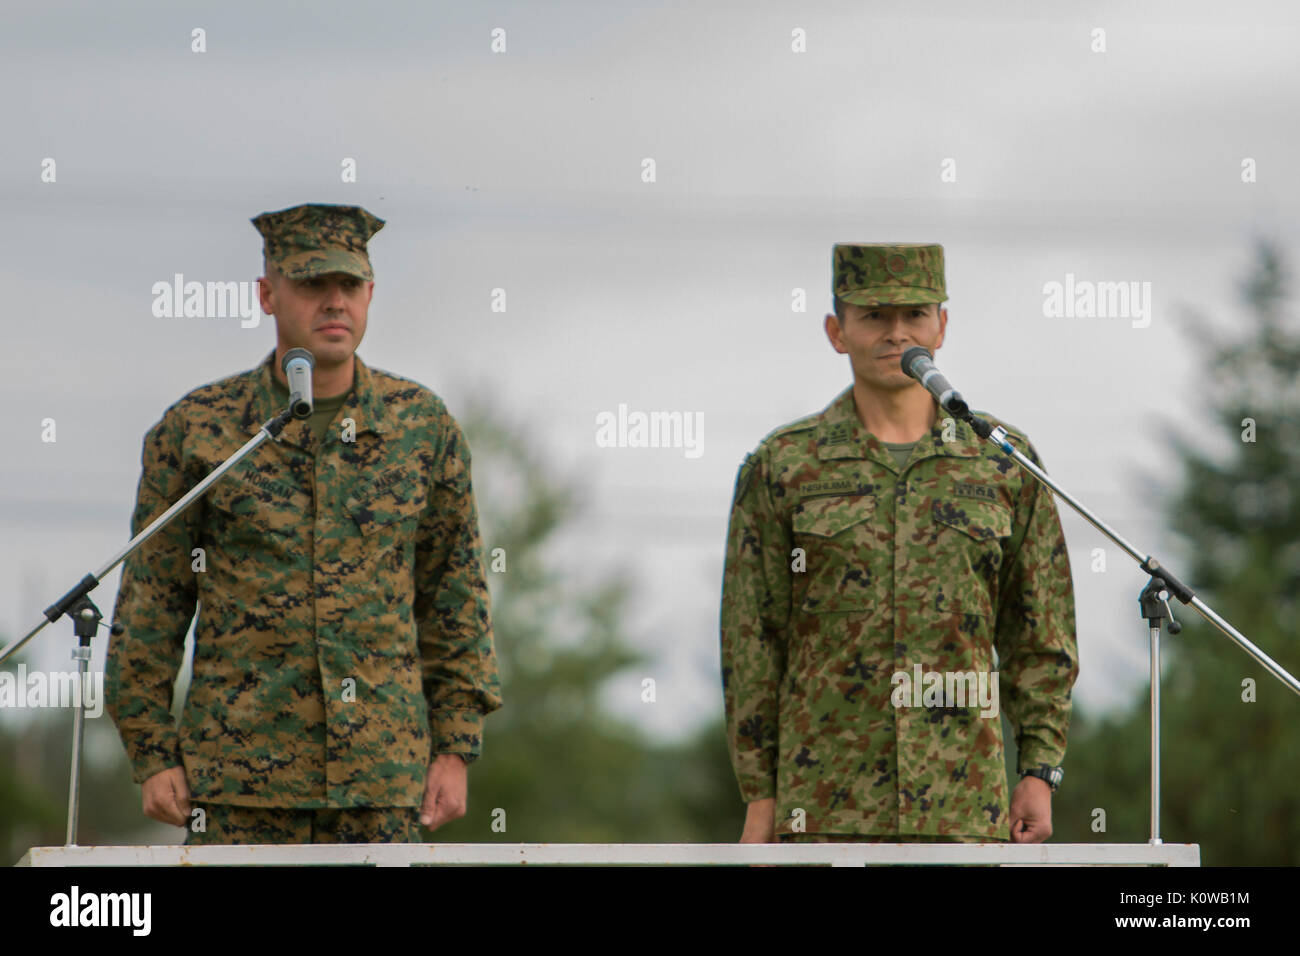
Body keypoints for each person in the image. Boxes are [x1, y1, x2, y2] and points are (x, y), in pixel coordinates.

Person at [105, 202, 502, 845]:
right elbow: (153, 599)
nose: (334, 302)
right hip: (237, 785)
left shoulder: (422, 429)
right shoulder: (202, 431)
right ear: (267, 294)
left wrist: (455, 748)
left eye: (348, 285)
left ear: (370, 293)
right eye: (313, 285)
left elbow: (454, 597)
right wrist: (151, 752)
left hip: (382, 783)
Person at [720, 243, 1078, 847]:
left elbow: (1040, 634)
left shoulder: (1001, 462)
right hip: (826, 815)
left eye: (914, 314)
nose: (896, 334)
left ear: (942, 325)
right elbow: (752, 641)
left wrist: (1039, 771)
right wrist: (761, 794)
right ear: (837, 332)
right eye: (873, 317)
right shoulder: (784, 465)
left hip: (963, 811)